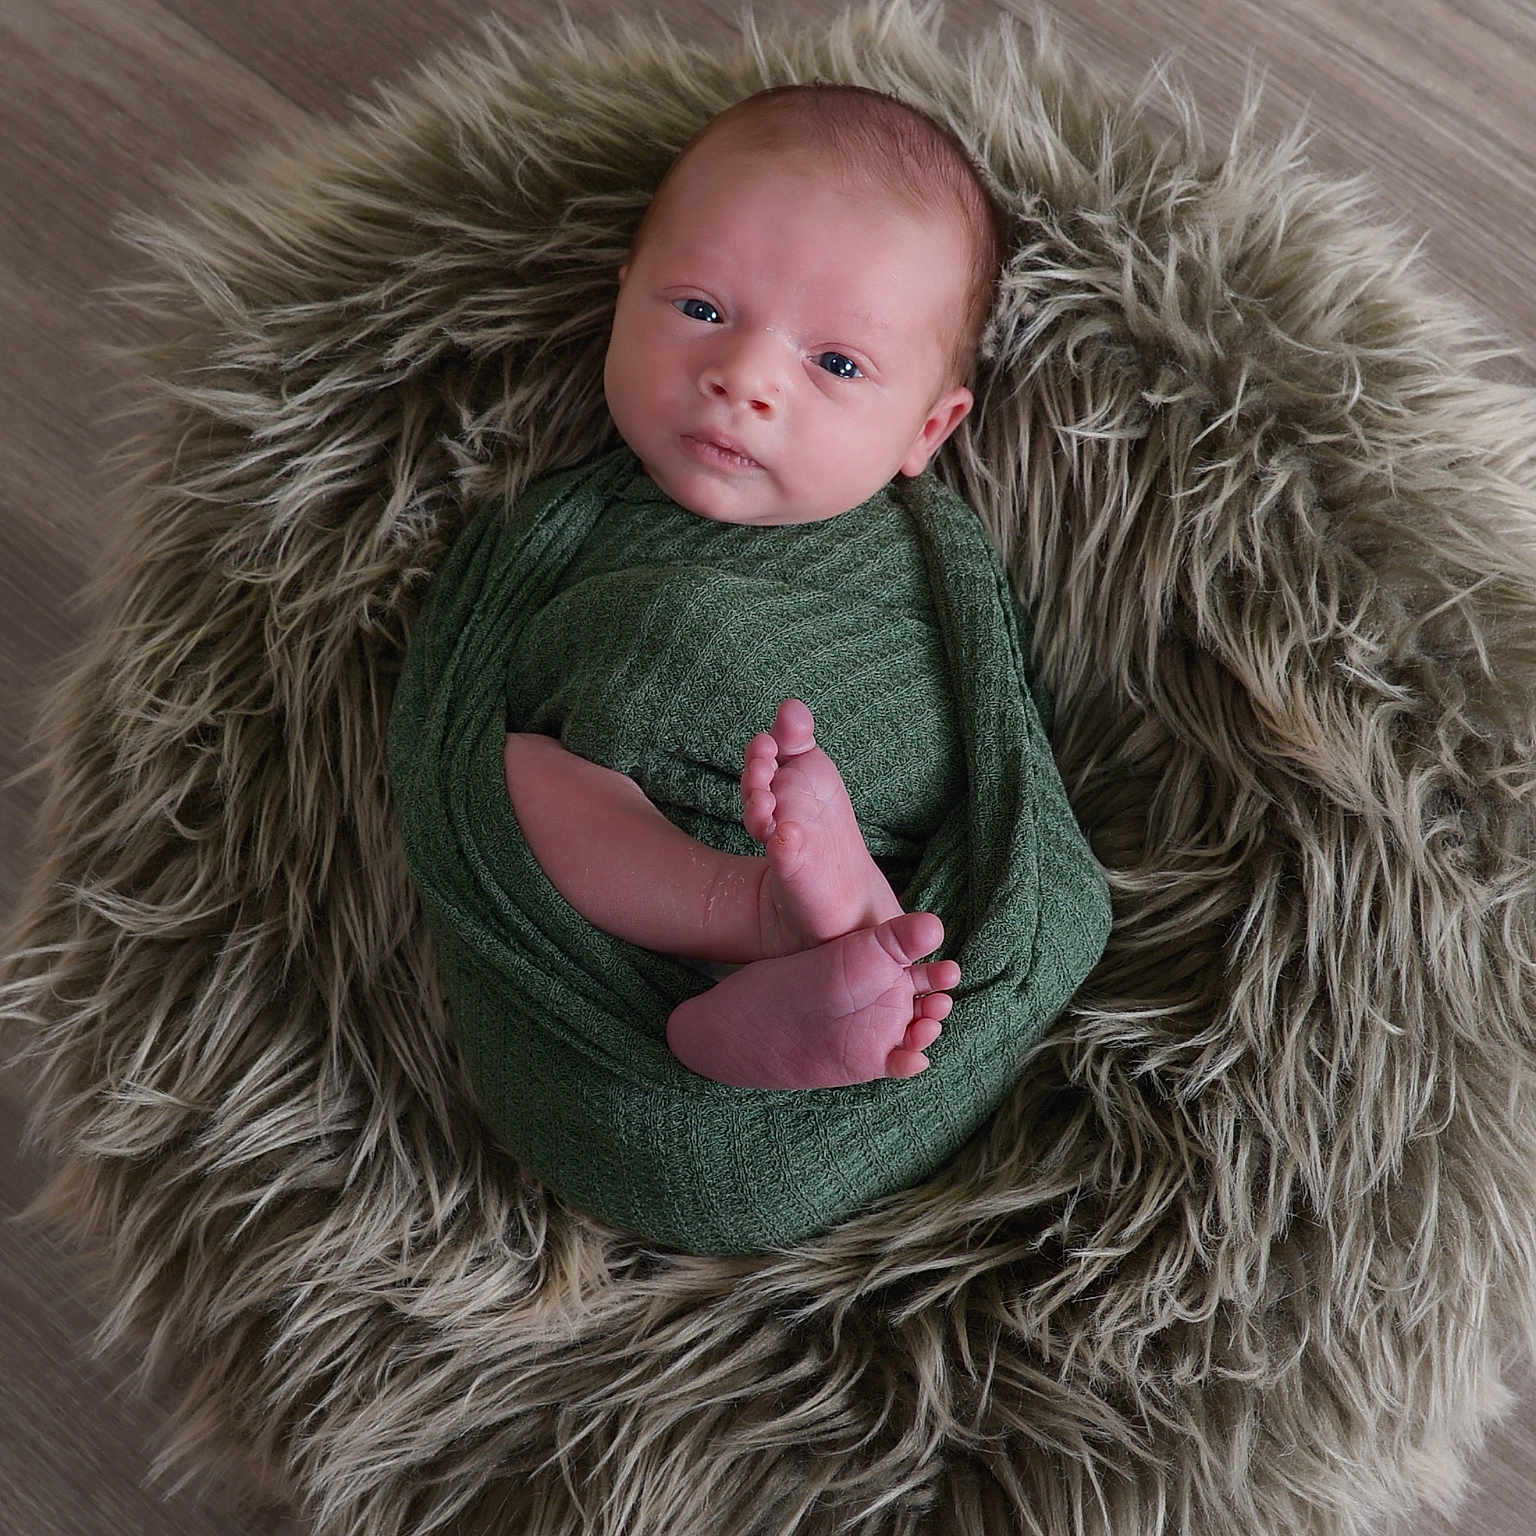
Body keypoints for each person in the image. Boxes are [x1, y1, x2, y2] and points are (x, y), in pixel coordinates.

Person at [499, 82, 1011, 1092]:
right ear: (620, 295)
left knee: (514, 764)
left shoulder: (937, 566)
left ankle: (840, 938)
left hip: (888, 858)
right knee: (501, 771)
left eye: (834, 362)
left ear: (927, 432)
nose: (744, 375)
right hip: (629, 900)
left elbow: (998, 752)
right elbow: (453, 694)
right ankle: (751, 926)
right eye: (700, 309)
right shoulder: (551, 515)